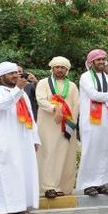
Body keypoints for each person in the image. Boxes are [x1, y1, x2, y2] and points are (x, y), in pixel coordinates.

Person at [0, 62, 40, 214]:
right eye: (11, 74)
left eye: (16, 73)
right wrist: (18, 89)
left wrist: (35, 138)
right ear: (1, 77)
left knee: (23, 172)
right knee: (6, 174)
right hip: (6, 141)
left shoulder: (22, 93)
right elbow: (2, 105)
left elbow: (30, 116)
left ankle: (21, 206)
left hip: (24, 140)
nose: (15, 76)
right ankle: (3, 209)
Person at [76, 49, 108, 196]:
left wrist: (107, 97)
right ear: (91, 62)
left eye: (103, 59)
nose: (101, 62)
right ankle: (89, 184)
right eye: (98, 59)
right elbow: (93, 94)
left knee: (107, 149)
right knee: (92, 149)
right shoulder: (85, 77)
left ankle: (105, 182)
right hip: (91, 120)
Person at [35, 57, 79, 198]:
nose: (60, 70)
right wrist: (54, 108)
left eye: (63, 68)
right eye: (57, 67)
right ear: (52, 68)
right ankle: (48, 187)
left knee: (66, 155)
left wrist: (72, 122)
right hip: (48, 125)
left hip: (67, 126)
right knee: (48, 154)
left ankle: (64, 187)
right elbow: (41, 100)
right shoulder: (43, 83)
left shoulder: (72, 86)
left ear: (67, 70)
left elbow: (76, 105)